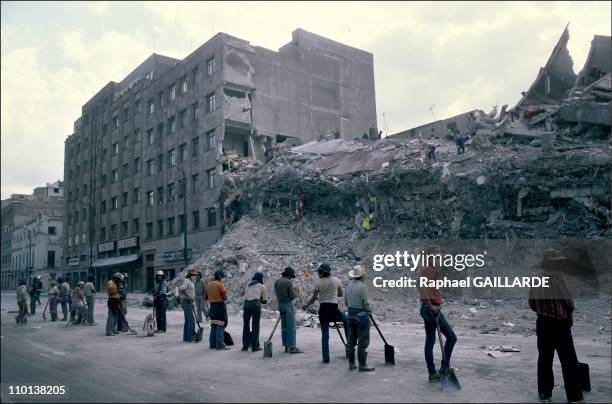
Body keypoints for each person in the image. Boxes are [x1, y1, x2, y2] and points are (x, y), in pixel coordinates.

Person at [528, 249, 583, 403]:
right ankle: (574, 397)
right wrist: (568, 315)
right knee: (568, 360)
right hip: (559, 324)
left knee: (545, 359)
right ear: (554, 264)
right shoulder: (557, 279)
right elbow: (568, 303)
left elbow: (532, 304)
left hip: (542, 323)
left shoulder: (535, 279)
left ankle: (545, 394)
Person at [417, 246, 458, 382]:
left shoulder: (430, 270)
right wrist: (431, 305)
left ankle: (432, 372)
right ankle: (443, 368)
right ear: (430, 257)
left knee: (430, 341)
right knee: (451, 337)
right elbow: (421, 287)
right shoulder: (428, 270)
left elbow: (420, 285)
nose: (439, 259)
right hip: (431, 310)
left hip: (429, 308)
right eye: (436, 257)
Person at [302, 262, 344, 364]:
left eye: (319, 272)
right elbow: (341, 294)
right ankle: (350, 347)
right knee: (346, 322)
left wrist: (306, 306)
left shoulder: (318, 283)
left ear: (322, 272)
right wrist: (334, 293)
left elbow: (313, 298)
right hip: (334, 308)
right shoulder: (337, 281)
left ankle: (326, 358)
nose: (318, 274)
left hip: (323, 309)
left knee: (325, 335)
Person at [345, 265, 375, 371]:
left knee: (351, 341)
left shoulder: (348, 286)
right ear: (362, 276)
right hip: (361, 316)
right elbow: (365, 303)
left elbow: (346, 302)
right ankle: (362, 365)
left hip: (350, 315)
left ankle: (351, 364)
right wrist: (368, 310)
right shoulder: (362, 286)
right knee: (363, 341)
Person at [274, 267, 303, 354]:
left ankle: (286, 346)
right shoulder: (288, 282)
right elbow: (291, 296)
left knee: (284, 326)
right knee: (291, 327)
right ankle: (292, 347)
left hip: (280, 304)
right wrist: (296, 292)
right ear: (289, 275)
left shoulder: (277, 281)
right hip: (288, 304)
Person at [242, 272, 267, 352]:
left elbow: (245, 295)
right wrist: (259, 299)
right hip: (255, 305)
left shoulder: (248, 285)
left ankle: (245, 346)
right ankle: (255, 346)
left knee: (246, 325)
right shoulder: (262, 286)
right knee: (255, 325)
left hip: (246, 305)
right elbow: (264, 300)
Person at [206, 270, 230, 350]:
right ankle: (220, 345)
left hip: (212, 306)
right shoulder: (220, 285)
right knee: (221, 324)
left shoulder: (209, 284)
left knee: (214, 325)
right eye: (223, 277)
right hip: (219, 306)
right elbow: (224, 297)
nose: (223, 278)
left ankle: (212, 344)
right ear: (220, 276)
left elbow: (205, 297)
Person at [179, 268, 197, 343]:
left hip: (189, 302)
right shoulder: (187, 281)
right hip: (186, 301)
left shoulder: (191, 282)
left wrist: (192, 301)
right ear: (189, 275)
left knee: (187, 320)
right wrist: (189, 297)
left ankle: (186, 337)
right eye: (193, 275)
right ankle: (191, 337)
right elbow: (182, 289)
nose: (194, 276)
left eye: (195, 275)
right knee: (191, 320)